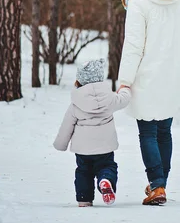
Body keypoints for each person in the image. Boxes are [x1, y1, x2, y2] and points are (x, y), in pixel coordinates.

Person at [118, 0, 180, 206]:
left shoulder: (139, 1)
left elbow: (133, 47)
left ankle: (157, 186)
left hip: (147, 76)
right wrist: (170, 52)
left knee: (148, 133)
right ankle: (159, 184)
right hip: (172, 76)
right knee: (164, 131)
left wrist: (124, 82)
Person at [53, 58, 131, 207]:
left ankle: (84, 199)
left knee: (83, 172)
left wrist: (60, 144)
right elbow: (124, 99)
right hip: (105, 147)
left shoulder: (76, 103)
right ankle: (105, 180)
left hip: (83, 149)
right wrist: (125, 88)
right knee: (107, 166)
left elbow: (66, 126)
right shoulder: (110, 98)